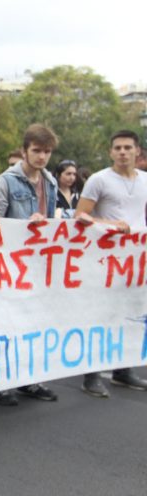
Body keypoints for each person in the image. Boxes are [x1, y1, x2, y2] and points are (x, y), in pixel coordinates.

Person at [0, 124, 60, 405]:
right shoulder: (6, 180)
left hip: (37, 263)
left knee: (32, 322)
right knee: (5, 323)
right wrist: (23, 226)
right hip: (8, 264)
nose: (42, 157)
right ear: (25, 150)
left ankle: (29, 379)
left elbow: (51, 223)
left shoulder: (50, 182)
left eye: (47, 152)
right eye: (37, 151)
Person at [74, 130, 147, 396]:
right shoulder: (99, 180)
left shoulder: (145, 180)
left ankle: (123, 371)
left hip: (135, 261)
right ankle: (91, 376)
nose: (123, 152)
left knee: (129, 313)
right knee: (100, 315)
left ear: (137, 151)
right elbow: (80, 215)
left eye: (128, 147)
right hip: (104, 259)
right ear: (110, 152)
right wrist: (111, 225)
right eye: (117, 148)